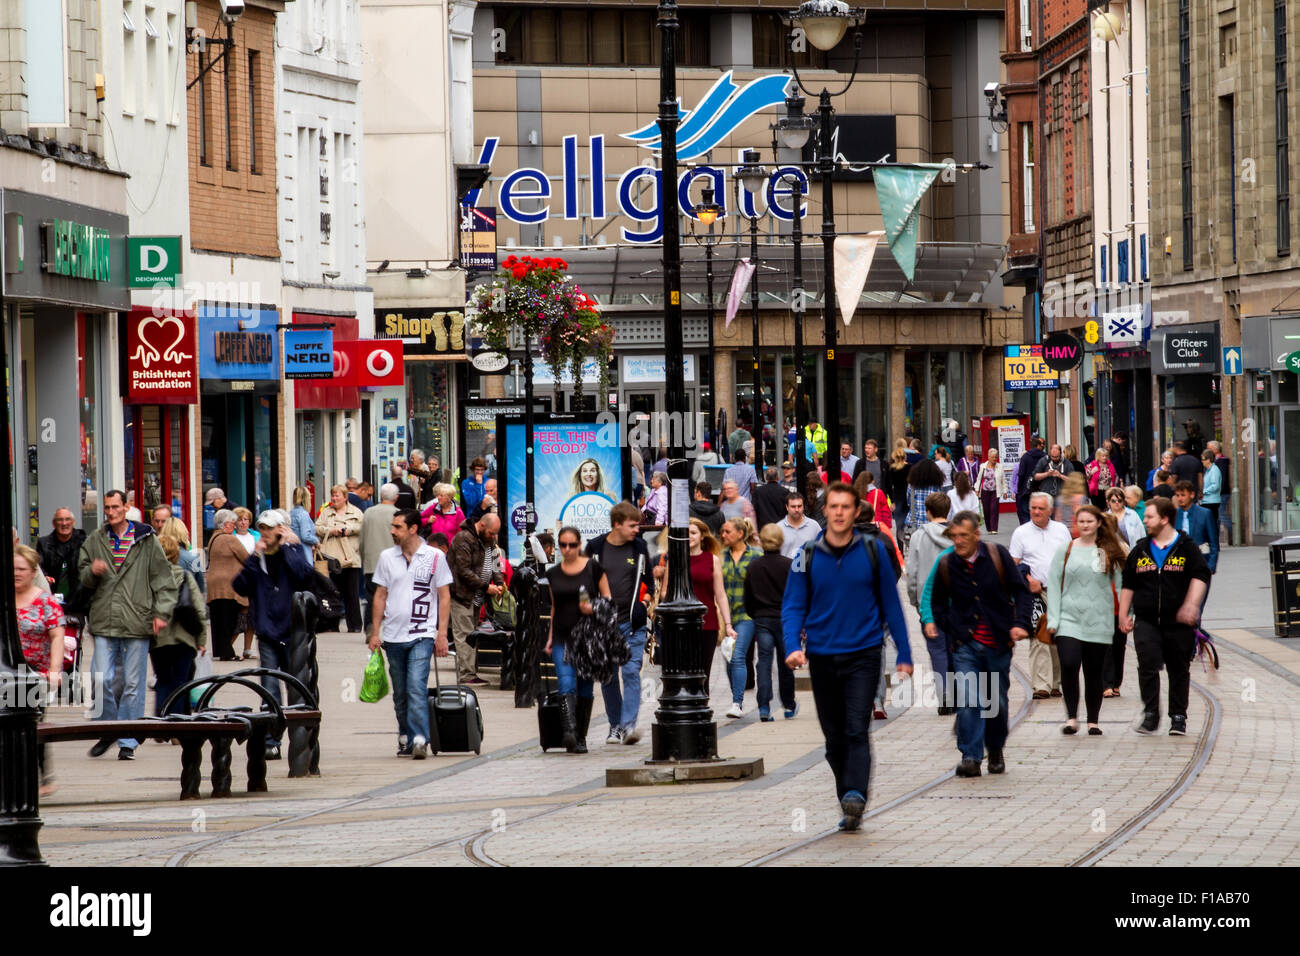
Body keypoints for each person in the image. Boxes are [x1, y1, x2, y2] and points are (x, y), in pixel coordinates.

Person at [782, 482, 913, 831]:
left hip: (864, 654)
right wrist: (792, 645)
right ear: (824, 511)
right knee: (833, 737)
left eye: (845, 506)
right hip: (823, 656)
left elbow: (891, 604)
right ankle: (847, 796)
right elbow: (793, 604)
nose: (839, 512)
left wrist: (905, 651)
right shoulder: (805, 556)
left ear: (856, 512)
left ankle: (855, 793)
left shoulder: (873, 551)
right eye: (833, 506)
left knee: (856, 728)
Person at [922, 511, 1032, 778]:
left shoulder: (996, 556)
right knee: (969, 701)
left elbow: (1021, 590)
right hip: (965, 645)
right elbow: (935, 601)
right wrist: (947, 625)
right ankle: (970, 756)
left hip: (997, 642)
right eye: (954, 536)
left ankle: (995, 748)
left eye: (964, 536)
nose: (958, 541)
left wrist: (1020, 623)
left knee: (996, 703)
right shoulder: (947, 564)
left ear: (976, 535)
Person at [77, 489, 177, 761]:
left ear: (126, 507)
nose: (110, 512)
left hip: (136, 618)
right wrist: (91, 572)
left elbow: (164, 580)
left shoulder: (145, 540)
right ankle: (110, 728)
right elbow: (82, 575)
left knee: (133, 683)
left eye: (115, 507)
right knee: (101, 678)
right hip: (105, 618)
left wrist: (161, 613)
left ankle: (128, 739)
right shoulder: (96, 539)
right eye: (107, 508)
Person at [1118, 497, 1211, 736]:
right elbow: (1128, 583)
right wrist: (1122, 614)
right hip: (1147, 620)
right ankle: (1151, 713)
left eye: (1149, 516)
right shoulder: (1139, 550)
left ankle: (1178, 716)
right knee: (1147, 663)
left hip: (1178, 622)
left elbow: (1201, 575)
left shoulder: (1186, 547)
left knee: (1178, 668)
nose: (1145, 520)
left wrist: (1192, 605)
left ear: (1164, 518)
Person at [368, 509, 452, 759]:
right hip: (393, 636)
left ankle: (419, 738)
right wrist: (375, 632)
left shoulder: (434, 556)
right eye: (392, 527)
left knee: (416, 686)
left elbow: (444, 595)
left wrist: (442, 633)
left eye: (397, 527)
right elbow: (380, 595)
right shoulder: (387, 557)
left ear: (413, 528)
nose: (392, 531)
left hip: (422, 633)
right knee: (401, 692)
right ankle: (404, 735)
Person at [232, 511, 313, 760]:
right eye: (262, 528)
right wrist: (253, 557)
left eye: (269, 528)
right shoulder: (258, 559)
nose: (264, 533)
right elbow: (240, 586)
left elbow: (303, 577)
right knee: (269, 686)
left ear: (281, 529)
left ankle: (300, 740)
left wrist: (290, 546)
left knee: (296, 687)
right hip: (267, 630)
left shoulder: (293, 550)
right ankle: (271, 739)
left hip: (292, 630)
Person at [1046, 506, 1124, 736]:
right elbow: (1053, 583)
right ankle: (1071, 718)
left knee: (1093, 671)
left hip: (1099, 620)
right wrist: (1054, 617)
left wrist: (1125, 615)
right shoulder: (1066, 549)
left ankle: (1093, 721)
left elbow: (1120, 585)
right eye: (1081, 521)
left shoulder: (1107, 551)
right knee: (1069, 664)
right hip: (1069, 619)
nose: (1085, 525)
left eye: (1089, 521)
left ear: (1099, 523)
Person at [585, 502, 654, 745]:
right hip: (603, 626)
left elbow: (649, 584)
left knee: (632, 672)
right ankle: (614, 725)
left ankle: (628, 726)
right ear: (617, 524)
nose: (637, 529)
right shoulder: (594, 548)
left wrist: (643, 604)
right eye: (632, 525)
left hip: (632, 624)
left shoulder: (639, 547)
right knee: (609, 677)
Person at [546, 525, 612, 753]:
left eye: (572, 545)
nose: (567, 549)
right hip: (562, 637)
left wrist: (592, 607)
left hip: (588, 638)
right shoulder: (553, 574)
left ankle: (581, 737)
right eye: (562, 545)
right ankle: (570, 732)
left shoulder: (593, 569)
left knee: (585, 689)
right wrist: (550, 636)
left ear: (579, 544)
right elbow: (554, 607)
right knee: (565, 683)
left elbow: (608, 600)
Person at [654, 518, 732, 685]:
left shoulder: (712, 559)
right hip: (679, 623)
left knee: (703, 674)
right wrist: (679, 605)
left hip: (707, 623)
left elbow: (720, 594)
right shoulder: (674, 559)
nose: (689, 536)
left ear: (702, 536)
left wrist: (728, 624)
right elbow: (664, 592)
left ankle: (702, 709)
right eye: (686, 533)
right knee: (683, 673)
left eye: (694, 533)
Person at [1009, 492, 1072, 700]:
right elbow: (1012, 565)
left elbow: (1070, 556)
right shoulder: (1021, 533)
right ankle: (1041, 685)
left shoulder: (1061, 530)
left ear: (1050, 511)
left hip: (1060, 591)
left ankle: (1056, 684)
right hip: (1035, 592)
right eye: (1033, 508)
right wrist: (1027, 580)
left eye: (1040, 508)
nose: (1036, 512)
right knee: (1038, 638)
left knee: (1058, 638)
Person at [15, 544, 65, 795]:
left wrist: (54, 670)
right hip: (6, 672)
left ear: (33, 571)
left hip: (35, 674)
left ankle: (42, 776)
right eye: (12, 568)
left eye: (22, 569)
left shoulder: (45, 601)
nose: (16, 573)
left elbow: (57, 636)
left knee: (33, 724)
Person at [906, 492, 956, 715]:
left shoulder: (918, 536)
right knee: (957, 650)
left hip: (931, 606)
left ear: (928, 512)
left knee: (937, 652)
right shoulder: (957, 535)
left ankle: (944, 695)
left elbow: (913, 573)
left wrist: (916, 602)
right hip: (956, 602)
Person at [744, 524, 798, 721]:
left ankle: (764, 706)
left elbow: (747, 597)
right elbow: (795, 594)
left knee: (764, 663)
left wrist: (755, 614)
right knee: (786, 663)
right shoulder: (789, 565)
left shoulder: (754, 566)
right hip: (784, 618)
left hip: (762, 618)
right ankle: (788, 703)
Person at [152, 533, 207, 720]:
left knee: (163, 680)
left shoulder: (150, 579)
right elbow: (199, 609)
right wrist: (201, 640)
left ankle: (161, 719)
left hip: (159, 639)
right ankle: (176, 722)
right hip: (185, 638)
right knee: (181, 681)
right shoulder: (185, 576)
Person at [449, 513, 502, 686]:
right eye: (491, 533)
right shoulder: (463, 538)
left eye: (495, 534)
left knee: (471, 634)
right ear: (482, 525)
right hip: (462, 595)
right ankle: (467, 674)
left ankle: (470, 671)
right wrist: (487, 587)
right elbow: (464, 571)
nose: (493, 536)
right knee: (464, 634)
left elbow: (495, 564)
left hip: (477, 595)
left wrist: (500, 583)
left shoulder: (489, 540)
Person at [720, 517, 761, 718]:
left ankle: (737, 703)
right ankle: (736, 696)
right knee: (728, 659)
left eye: (728, 531)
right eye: (723, 531)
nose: (723, 535)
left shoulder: (756, 555)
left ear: (740, 534)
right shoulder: (720, 556)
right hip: (725, 615)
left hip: (747, 615)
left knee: (737, 656)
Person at [315, 484, 365, 633]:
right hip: (331, 559)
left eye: (337, 495)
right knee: (332, 593)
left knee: (352, 595)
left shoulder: (356, 512)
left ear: (345, 497)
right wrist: (331, 530)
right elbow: (316, 528)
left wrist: (350, 530)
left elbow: (363, 527)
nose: (334, 498)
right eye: (333, 495)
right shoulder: (326, 513)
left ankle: (355, 626)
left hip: (350, 558)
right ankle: (331, 624)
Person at [204, 510, 247, 661]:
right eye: (233, 524)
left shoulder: (213, 537)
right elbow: (246, 558)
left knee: (218, 621)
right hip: (228, 586)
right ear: (226, 524)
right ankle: (227, 653)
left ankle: (223, 651)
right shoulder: (230, 539)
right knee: (229, 620)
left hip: (214, 584)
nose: (234, 527)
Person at [361, 483, 400, 631]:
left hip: (372, 561)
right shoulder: (398, 514)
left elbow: (362, 539)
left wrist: (364, 556)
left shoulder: (369, 512)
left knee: (371, 596)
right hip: (393, 562)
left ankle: (371, 627)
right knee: (393, 596)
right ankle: (392, 627)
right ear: (396, 497)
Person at [36, 507, 87, 610]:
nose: (64, 523)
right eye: (60, 520)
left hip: (78, 600)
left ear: (73, 523)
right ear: (54, 523)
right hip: (51, 599)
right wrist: (45, 577)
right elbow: (39, 567)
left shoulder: (83, 542)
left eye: (67, 519)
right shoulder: (43, 543)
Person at [1172, 480, 1219, 577]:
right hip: (1179, 565)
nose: (1180, 498)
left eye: (1183, 495)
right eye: (1177, 495)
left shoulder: (1205, 514)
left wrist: (1211, 567)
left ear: (1192, 495)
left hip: (1201, 562)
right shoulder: (1174, 515)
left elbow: (1213, 542)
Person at [904, 458, 945, 539]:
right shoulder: (937, 487)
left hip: (914, 523)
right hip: (932, 523)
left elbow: (909, 502)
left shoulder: (912, 485)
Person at [778, 491, 821, 559]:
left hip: (807, 568)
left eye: (799, 506)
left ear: (803, 506)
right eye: (793, 506)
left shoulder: (814, 526)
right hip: (785, 569)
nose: (797, 509)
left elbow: (821, 550)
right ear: (787, 507)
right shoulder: (778, 528)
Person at [1015, 437, 1047, 525]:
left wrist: (1020, 489)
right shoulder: (1045, 457)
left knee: (1026, 512)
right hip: (1041, 489)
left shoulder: (1025, 457)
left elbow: (1021, 474)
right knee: (1041, 512)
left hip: (1027, 490)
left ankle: (1028, 531)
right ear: (1038, 445)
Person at [974, 448, 1005, 533]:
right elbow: (979, 479)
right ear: (988, 457)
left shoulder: (1000, 467)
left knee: (994, 509)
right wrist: (977, 489)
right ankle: (989, 528)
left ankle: (994, 528)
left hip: (995, 491)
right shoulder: (983, 466)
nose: (994, 459)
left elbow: (1003, 480)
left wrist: (1005, 491)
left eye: (995, 457)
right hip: (985, 491)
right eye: (992, 457)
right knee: (986, 510)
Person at [1207, 440, 1232, 543]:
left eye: (1209, 448)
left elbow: (1222, 478)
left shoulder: (1221, 461)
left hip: (1221, 492)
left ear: (1215, 449)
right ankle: (1215, 539)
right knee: (1217, 515)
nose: (1207, 450)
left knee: (1221, 513)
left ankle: (1233, 533)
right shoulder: (1216, 461)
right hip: (1219, 492)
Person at [289, 486, 319, 566]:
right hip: (304, 554)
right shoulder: (303, 514)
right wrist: (316, 541)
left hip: (292, 553)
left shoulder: (290, 513)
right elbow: (305, 536)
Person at [884, 446, 912, 530]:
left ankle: (900, 543)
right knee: (909, 525)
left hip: (897, 498)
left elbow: (888, 486)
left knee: (899, 526)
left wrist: (891, 501)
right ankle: (908, 542)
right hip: (908, 498)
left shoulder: (891, 469)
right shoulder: (910, 467)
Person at [1199, 450, 1223, 534]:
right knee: (1209, 524)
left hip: (1212, 501)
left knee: (1212, 524)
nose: (1202, 462)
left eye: (1203, 459)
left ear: (1208, 460)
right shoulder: (1208, 470)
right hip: (1206, 501)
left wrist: (1203, 491)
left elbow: (1215, 486)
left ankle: (1214, 542)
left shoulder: (1214, 470)